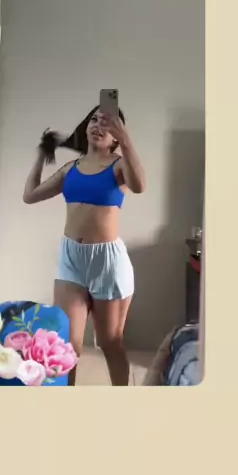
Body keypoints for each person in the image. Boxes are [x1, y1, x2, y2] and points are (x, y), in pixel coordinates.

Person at [23, 105, 146, 386]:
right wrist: (41, 155)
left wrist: (126, 139)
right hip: (72, 259)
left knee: (109, 341)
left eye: (107, 123)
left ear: (116, 136)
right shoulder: (71, 169)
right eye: (94, 119)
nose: (98, 125)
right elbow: (30, 195)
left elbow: (139, 186)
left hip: (107, 262)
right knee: (67, 344)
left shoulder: (119, 166)